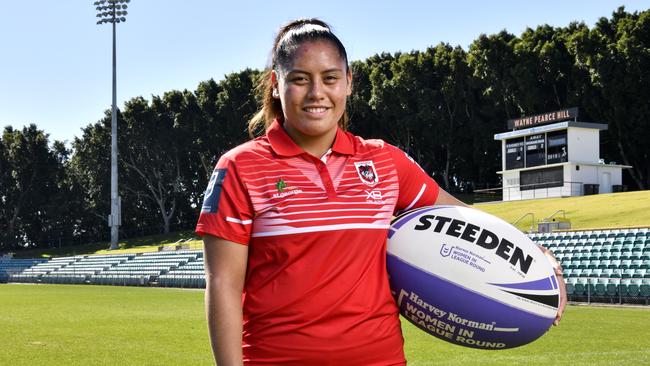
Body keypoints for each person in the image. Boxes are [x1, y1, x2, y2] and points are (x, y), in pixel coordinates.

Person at [196, 18, 566, 365]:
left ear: (349, 82)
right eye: (299, 79)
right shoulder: (240, 167)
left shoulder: (384, 161)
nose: (316, 93)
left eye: (330, 78)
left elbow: (464, 217)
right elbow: (223, 285)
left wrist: (539, 254)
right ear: (275, 84)